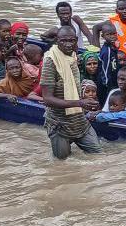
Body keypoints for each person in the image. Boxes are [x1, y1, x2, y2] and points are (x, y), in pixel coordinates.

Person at [42, 26, 102, 159]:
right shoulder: (51, 62)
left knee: (99, 156)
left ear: (76, 41)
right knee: (62, 163)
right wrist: (80, 102)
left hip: (80, 121)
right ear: (57, 41)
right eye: (64, 41)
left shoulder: (73, 57)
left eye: (71, 41)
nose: (68, 44)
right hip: (60, 124)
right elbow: (47, 99)